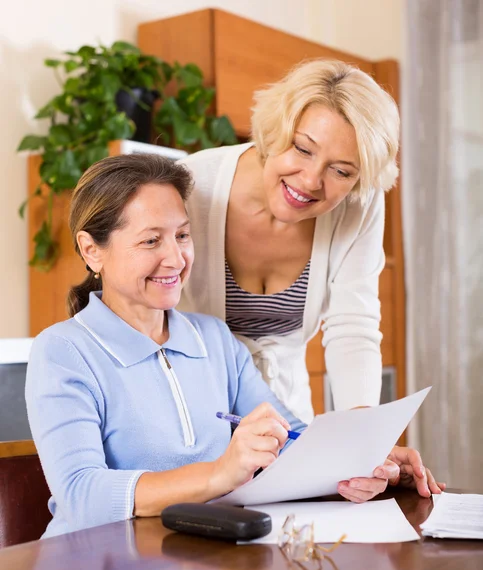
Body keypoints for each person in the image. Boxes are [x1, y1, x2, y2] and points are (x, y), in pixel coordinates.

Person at [26, 154, 442, 538]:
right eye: (151, 241)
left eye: (182, 235)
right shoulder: (63, 351)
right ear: (91, 250)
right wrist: (219, 473)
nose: (175, 259)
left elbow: (291, 438)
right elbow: (81, 495)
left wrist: (364, 458)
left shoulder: (213, 339)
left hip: (199, 559)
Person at [178, 59, 399, 423]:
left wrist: (360, 438)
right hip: (194, 415)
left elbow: (352, 326)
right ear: (276, 130)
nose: (311, 180)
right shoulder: (192, 185)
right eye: (302, 148)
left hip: (289, 420)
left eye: (341, 170)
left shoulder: (359, 204)